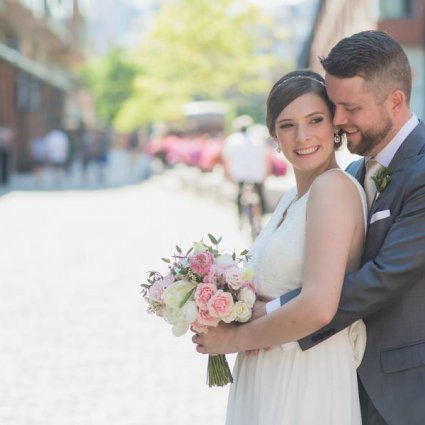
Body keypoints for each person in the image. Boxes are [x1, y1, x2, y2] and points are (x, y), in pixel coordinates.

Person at [194, 31, 425, 425]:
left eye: (347, 108)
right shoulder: (351, 171)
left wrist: (253, 324)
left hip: (400, 383)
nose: (338, 120)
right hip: (343, 373)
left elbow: (382, 277)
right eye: (334, 107)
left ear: (396, 101)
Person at [197, 69, 368, 424]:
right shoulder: (293, 196)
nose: (302, 136)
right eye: (287, 125)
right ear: (274, 135)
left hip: (305, 374)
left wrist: (232, 340)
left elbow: (318, 307)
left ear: (334, 124)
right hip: (269, 372)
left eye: (315, 120)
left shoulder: (333, 188)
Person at [222, 115, 270, 220]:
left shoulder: (231, 140)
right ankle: (262, 215)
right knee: (260, 193)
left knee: (239, 195)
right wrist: (266, 173)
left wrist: (227, 175)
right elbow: (266, 158)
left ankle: (240, 217)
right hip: (257, 174)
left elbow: (226, 160)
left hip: (239, 175)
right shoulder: (258, 138)